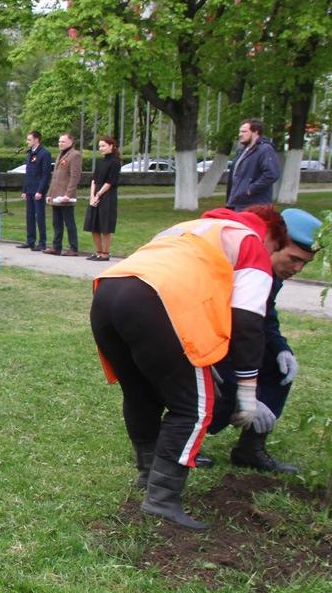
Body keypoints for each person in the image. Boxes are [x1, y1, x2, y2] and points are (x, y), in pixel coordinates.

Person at [90, 207, 286, 531]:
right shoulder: (252, 243)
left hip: (109, 292)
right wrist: (248, 393)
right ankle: (162, 499)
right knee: (193, 408)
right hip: (158, 300)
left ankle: (148, 474)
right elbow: (249, 322)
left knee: (140, 395)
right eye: (278, 252)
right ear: (270, 239)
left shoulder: (192, 227)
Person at [202, 207, 319, 475]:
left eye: (305, 263)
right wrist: (245, 393)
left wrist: (281, 349)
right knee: (222, 391)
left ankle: (249, 448)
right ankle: (179, 442)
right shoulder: (236, 264)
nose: (298, 268)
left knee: (278, 368)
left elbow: (265, 317)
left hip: (239, 339)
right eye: (293, 258)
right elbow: (222, 332)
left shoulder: (271, 274)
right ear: (274, 243)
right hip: (207, 341)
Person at [226, 119, 282, 208]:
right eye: (240, 132)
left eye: (244, 131)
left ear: (255, 132)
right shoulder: (242, 151)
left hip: (255, 205)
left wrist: (250, 189)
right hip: (237, 203)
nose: (240, 134)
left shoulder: (265, 149)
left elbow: (272, 174)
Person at [44, 132, 82, 256]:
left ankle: (73, 247)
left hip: (65, 196)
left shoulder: (75, 155)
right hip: (56, 195)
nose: (60, 144)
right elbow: (54, 177)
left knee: (69, 222)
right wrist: (50, 193)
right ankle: (56, 246)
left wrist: (68, 194)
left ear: (71, 142)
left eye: (63, 141)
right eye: (59, 141)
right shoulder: (60, 155)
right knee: (57, 223)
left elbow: (74, 177)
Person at [84, 135, 121, 261]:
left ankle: (105, 253)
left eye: (103, 146)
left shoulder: (115, 161)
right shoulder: (101, 162)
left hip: (107, 195)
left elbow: (110, 182)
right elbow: (94, 180)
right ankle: (98, 251)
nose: (101, 148)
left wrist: (99, 194)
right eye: (99, 146)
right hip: (96, 194)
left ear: (111, 146)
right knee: (93, 224)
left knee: (105, 225)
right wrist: (92, 196)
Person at [17, 130, 51, 250]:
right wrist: (24, 190)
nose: (27, 142)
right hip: (30, 189)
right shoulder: (30, 154)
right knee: (29, 216)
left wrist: (40, 191)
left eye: (29, 139)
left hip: (38, 190)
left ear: (36, 140)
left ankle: (42, 242)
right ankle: (30, 240)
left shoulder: (44, 154)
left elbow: (45, 174)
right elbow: (28, 173)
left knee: (39, 216)